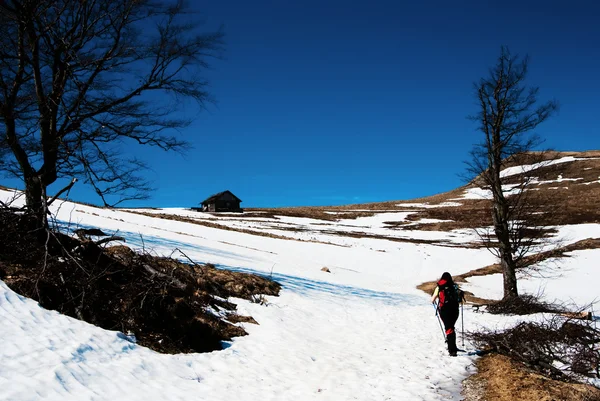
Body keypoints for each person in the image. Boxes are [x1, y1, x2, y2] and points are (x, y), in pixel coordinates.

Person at [431, 272, 464, 356]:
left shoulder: (439, 287)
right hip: (455, 311)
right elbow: (459, 299)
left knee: (449, 329)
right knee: (451, 327)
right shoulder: (455, 286)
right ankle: (453, 346)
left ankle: (452, 350)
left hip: (444, 311)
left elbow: (432, 300)